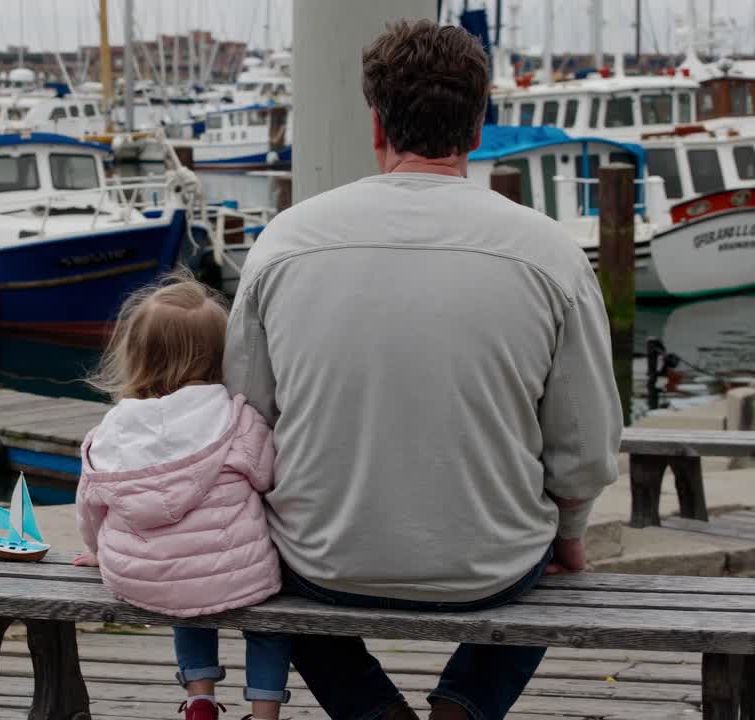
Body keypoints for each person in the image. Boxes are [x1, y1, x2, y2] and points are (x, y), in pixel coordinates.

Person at [223, 19, 622, 720]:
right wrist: (570, 534)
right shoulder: (551, 253)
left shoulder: (283, 243)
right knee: (549, 555)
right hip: (491, 570)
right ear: (477, 128)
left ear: (375, 124)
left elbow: (244, 419)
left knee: (274, 570)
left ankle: (374, 713)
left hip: (323, 564)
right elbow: (584, 451)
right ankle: (463, 709)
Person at [74, 274, 289, 720]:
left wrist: (96, 551)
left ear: (136, 354)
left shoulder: (112, 429)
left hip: (142, 576)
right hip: (236, 573)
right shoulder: (237, 417)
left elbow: (90, 503)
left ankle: (200, 699)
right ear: (221, 356)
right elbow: (269, 477)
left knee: (186, 603)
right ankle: (266, 713)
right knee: (267, 620)